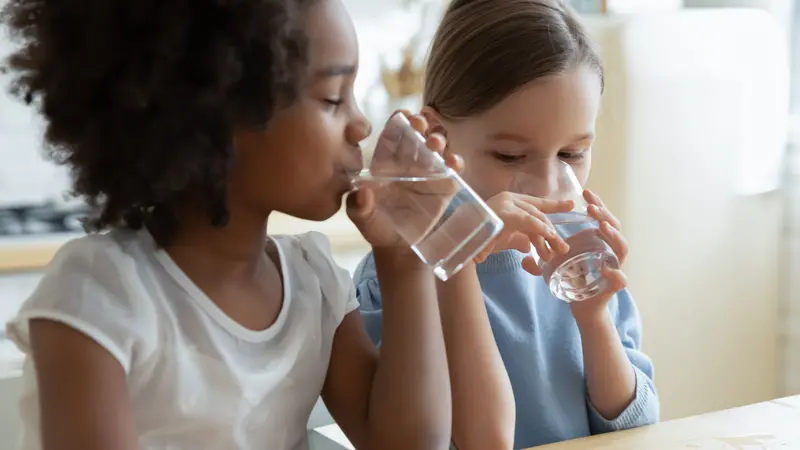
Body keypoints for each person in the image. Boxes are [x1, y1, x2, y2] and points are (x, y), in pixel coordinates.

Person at [0, 0, 465, 448]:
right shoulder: (101, 296)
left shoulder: (314, 284)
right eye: (332, 98)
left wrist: (404, 258)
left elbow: (408, 445)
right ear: (215, 113)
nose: (362, 125)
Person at [353, 0, 660, 448]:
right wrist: (460, 243)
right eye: (511, 156)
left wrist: (594, 320)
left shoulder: (578, 263)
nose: (551, 186)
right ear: (435, 139)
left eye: (573, 154)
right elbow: (475, 440)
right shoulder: (398, 277)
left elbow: (638, 429)